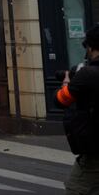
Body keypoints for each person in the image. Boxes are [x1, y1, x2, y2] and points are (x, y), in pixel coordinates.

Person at [56, 23, 99, 194]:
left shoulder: (88, 74)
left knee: (76, 189)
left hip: (94, 154)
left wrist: (67, 82)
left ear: (91, 48)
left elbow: (60, 100)